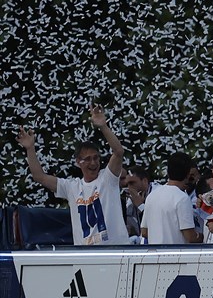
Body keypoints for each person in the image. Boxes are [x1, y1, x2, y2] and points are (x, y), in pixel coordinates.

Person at [16, 105, 130, 246]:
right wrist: (30, 149)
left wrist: (103, 126)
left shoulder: (107, 178)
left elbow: (118, 152)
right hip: (85, 253)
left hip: (115, 251)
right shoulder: (72, 187)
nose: (93, 163)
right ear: (78, 162)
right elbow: (39, 177)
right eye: (87, 159)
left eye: (96, 158)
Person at [141, 152, 202, 245]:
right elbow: (190, 237)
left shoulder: (152, 196)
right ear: (187, 174)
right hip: (176, 253)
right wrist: (204, 236)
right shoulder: (182, 198)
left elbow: (144, 232)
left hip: (155, 252)